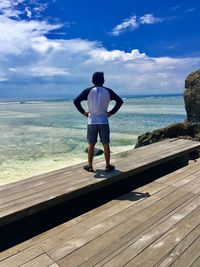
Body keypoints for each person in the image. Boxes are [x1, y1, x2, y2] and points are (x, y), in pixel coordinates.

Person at [74, 72, 123, 172]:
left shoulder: (88, 91)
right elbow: (120, 101)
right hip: (104, 121)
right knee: (105, 144)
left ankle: (90, 166)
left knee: (91, 144)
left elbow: (76, 101)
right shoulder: (108, 91)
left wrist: (84, 112)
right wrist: (111, 113)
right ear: (103, 81)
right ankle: (108, 165)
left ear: (92, 81)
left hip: (91, 121)